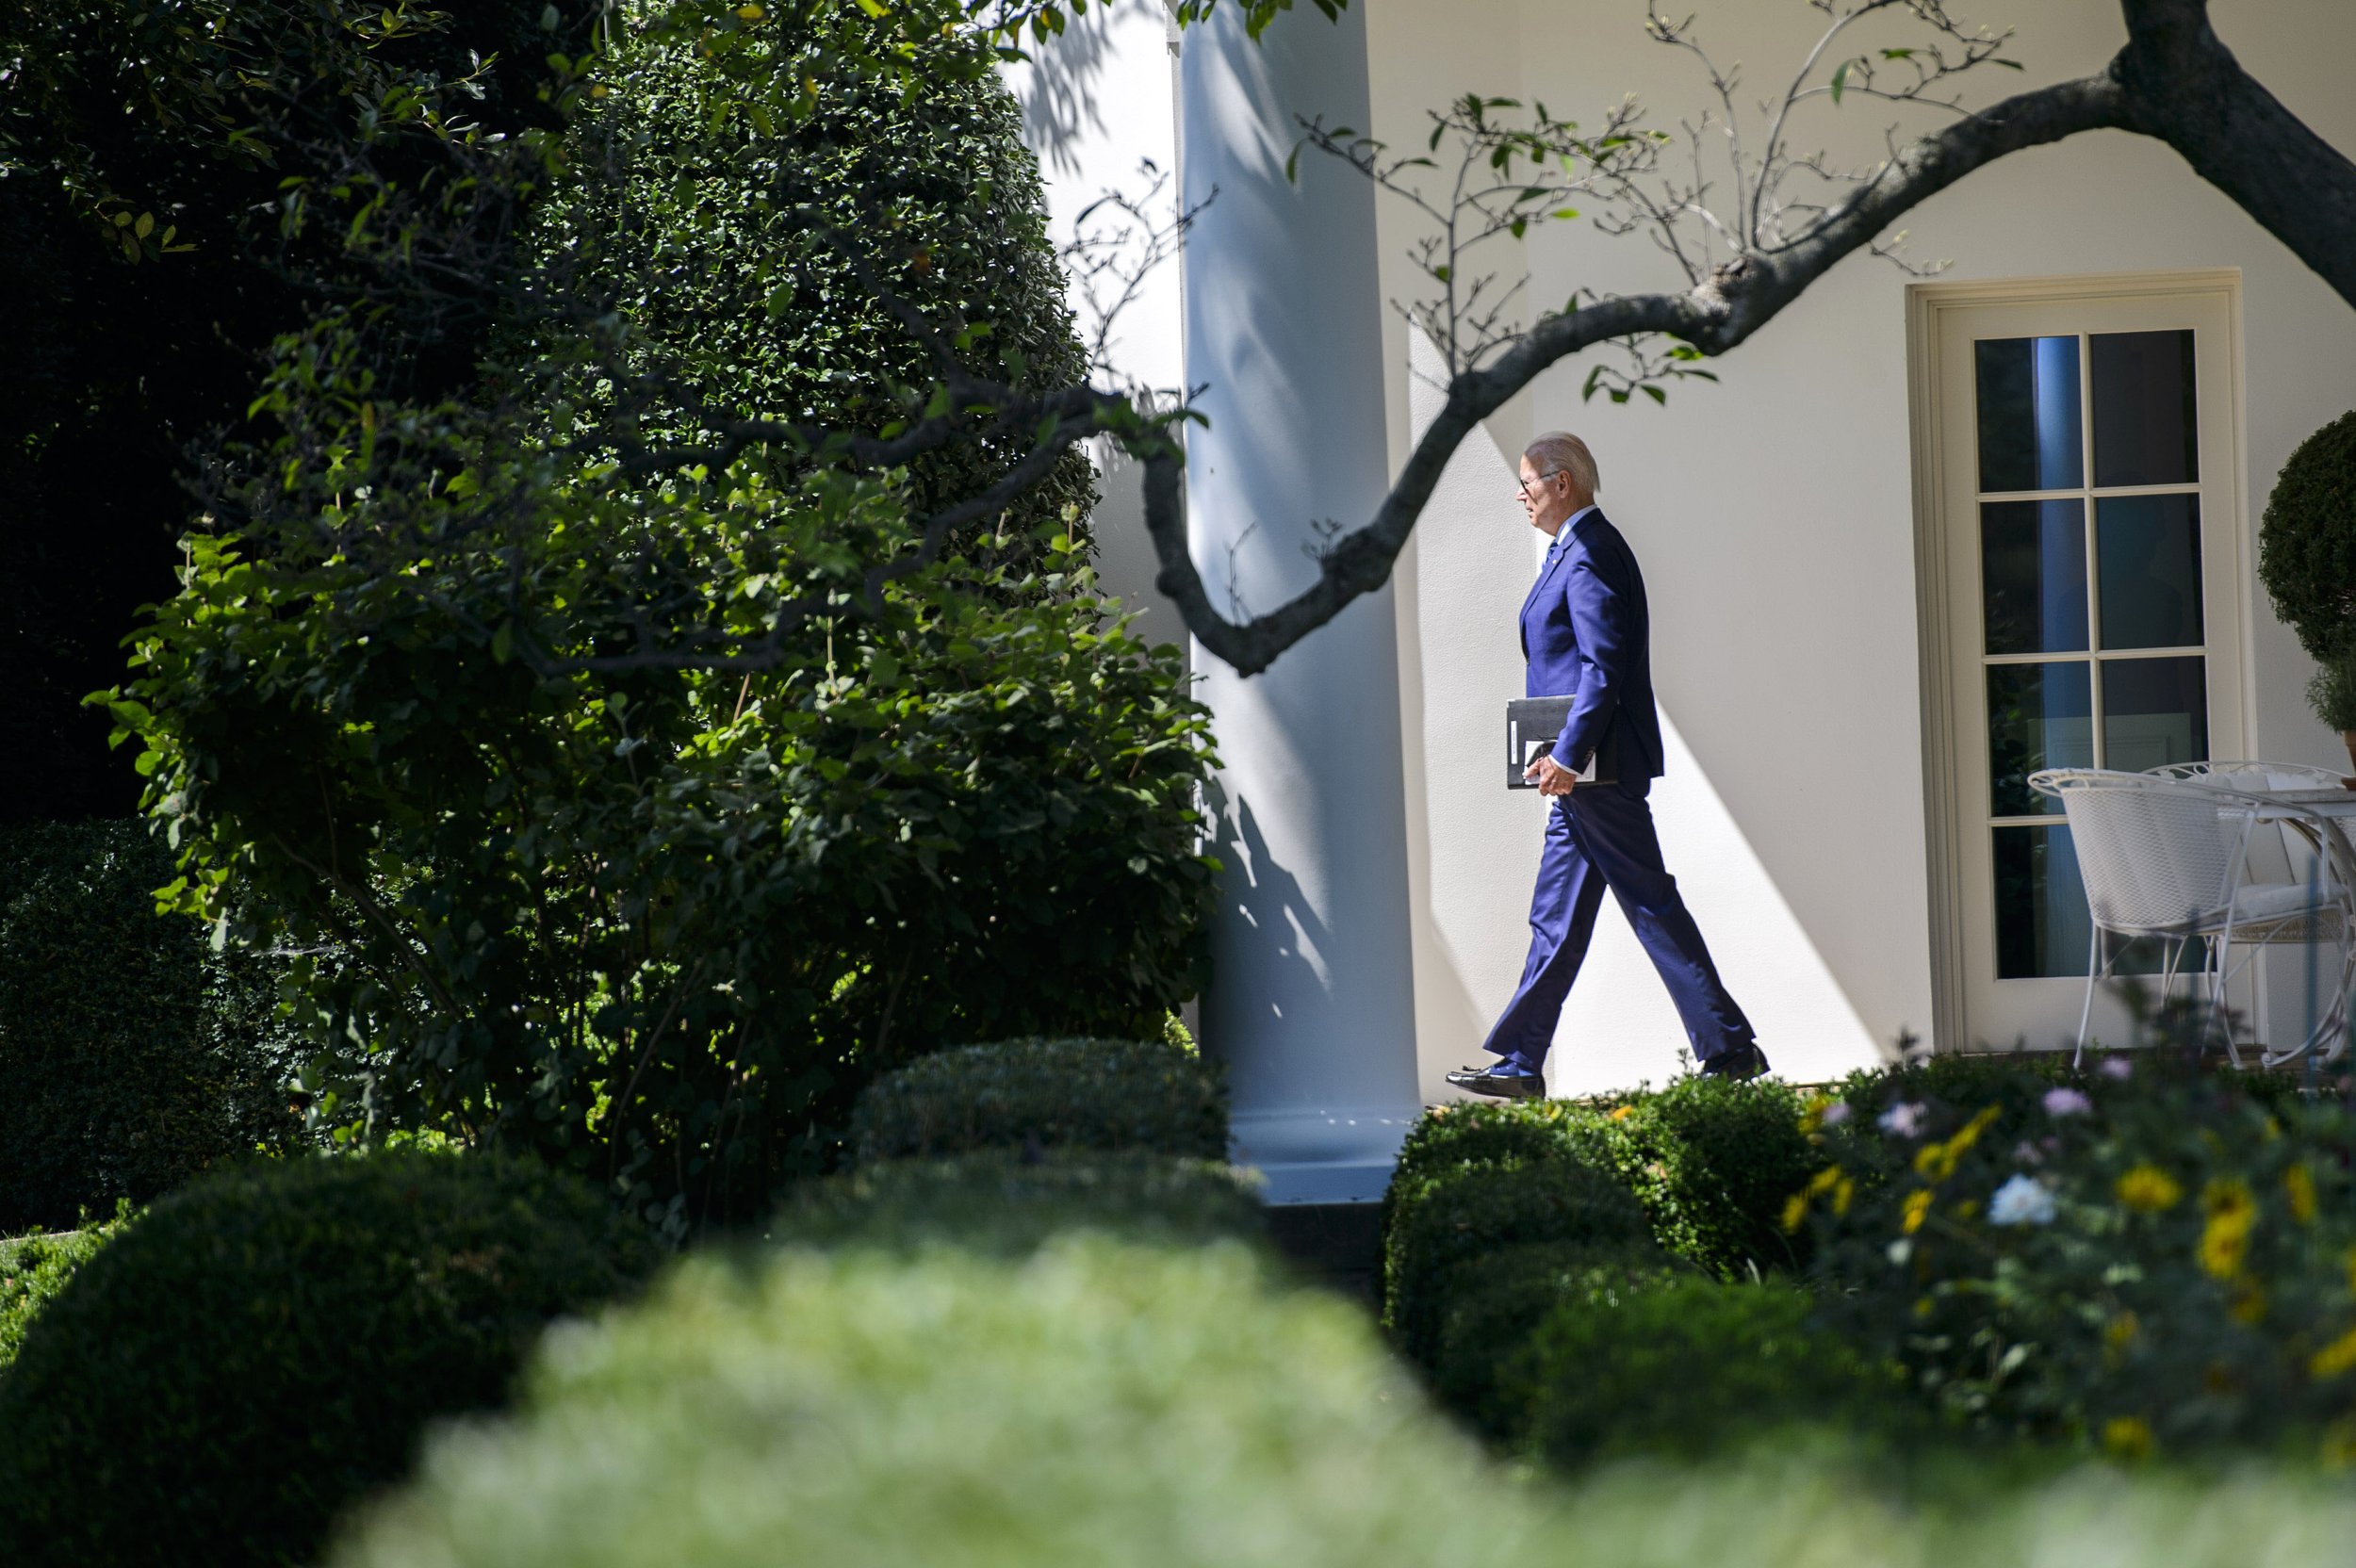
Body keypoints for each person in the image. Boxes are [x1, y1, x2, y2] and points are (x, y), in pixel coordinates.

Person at [1446, 433, 1767, 1101]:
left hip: (1597, 772)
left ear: (1561, 483)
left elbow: (1603, 668)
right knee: (1556, 918)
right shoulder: (1575, 550)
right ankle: (1522, 1062)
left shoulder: (1590, 554)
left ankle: (1731, 1049)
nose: (1520, 495)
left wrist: (1568, 755)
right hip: (1583, 777)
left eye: (1527, 483)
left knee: (1649, 903)